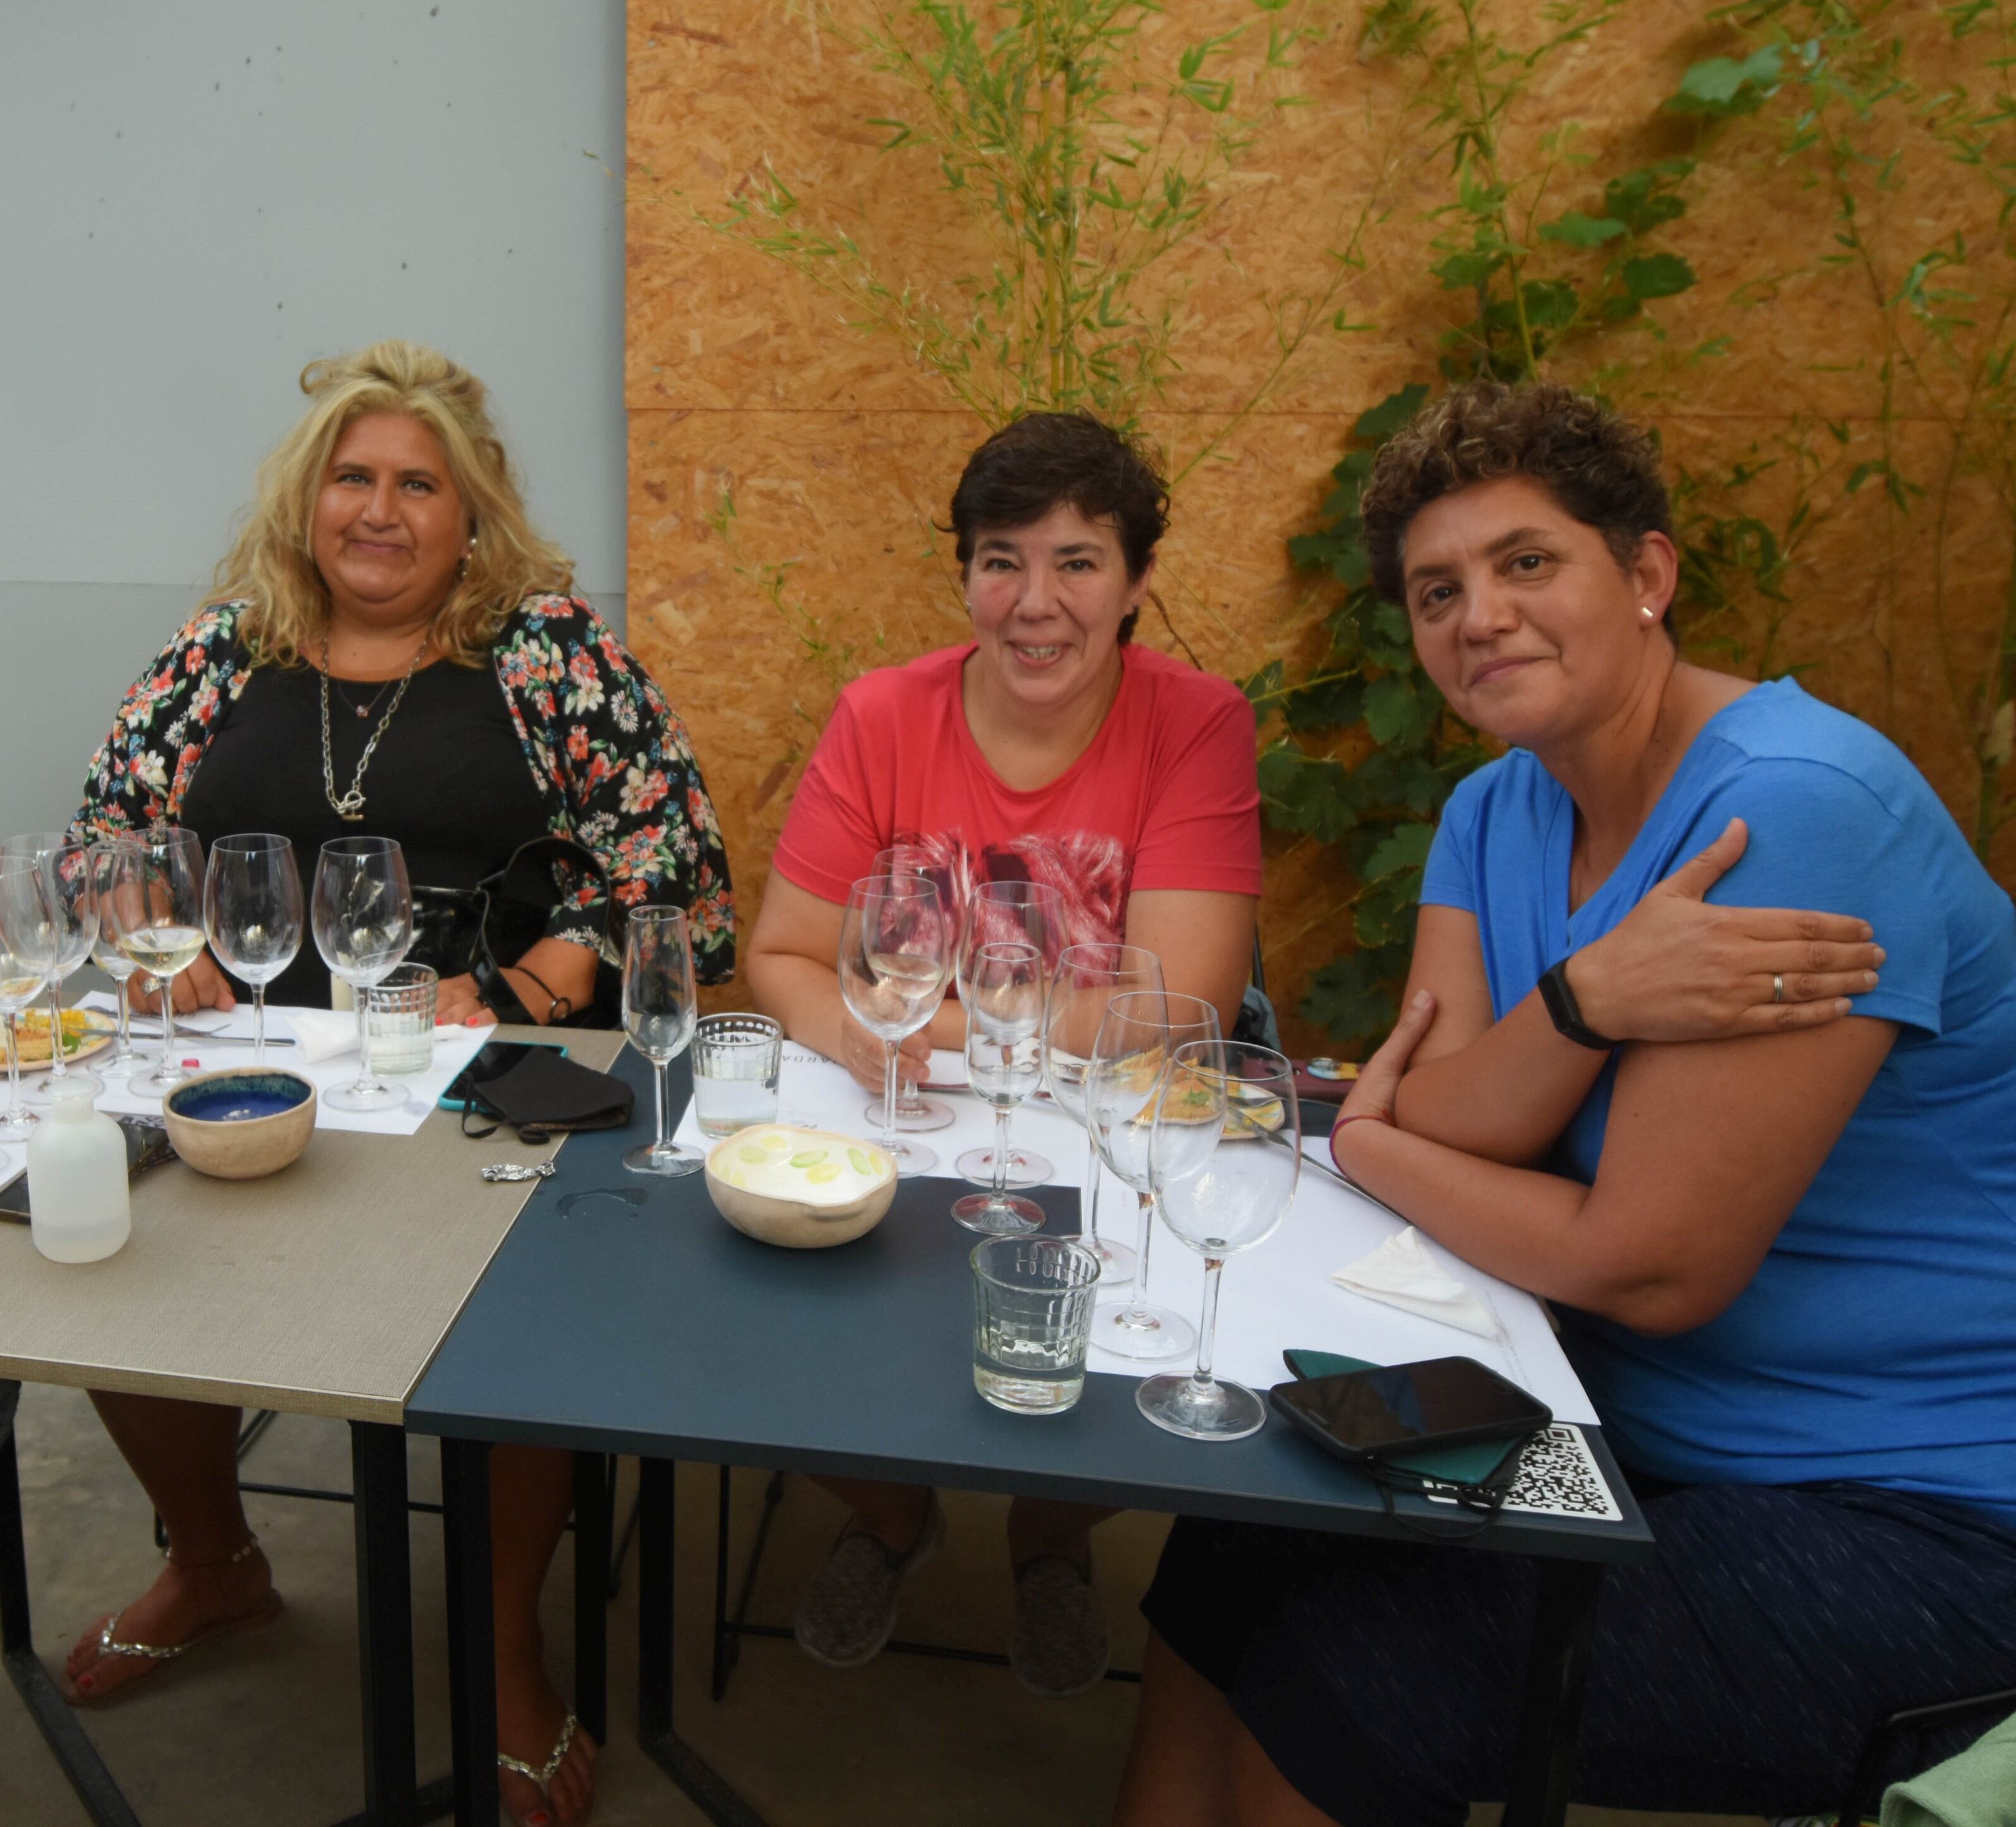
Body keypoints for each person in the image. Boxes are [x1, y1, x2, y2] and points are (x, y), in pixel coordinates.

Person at [1117, 380, 2016, 1824]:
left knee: (1366, 1674)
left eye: (1527, 563)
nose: (1480, 616)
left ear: (1647, 576)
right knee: (1240, 1534)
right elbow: (1478, 1125)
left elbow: (1644, 1264)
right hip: (1625, 1420)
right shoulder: (1497, 808)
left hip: (1918, 1506)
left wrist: (1365, 1137)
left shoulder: (1788, 811)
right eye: (1437, 590)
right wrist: (1591, 1001)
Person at [67, 338, 733, 1826]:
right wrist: (149, 938)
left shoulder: (550, 652)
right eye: (352, 480)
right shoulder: (223, 653)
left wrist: (514, 988)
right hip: (242, 1060)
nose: (381, 510)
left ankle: (500, 1646)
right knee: (108, 1254)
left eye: (416, 484)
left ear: (469, 513)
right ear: (305, 506)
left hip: (485, 1059)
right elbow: (104, 838)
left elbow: (677, 878)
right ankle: (216, 1559)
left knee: (528, 1316)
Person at [745, 411, 1261, 1696]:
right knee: (777, 1333)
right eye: (999, 558)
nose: (1035, 603)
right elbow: (785, 959)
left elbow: (1176, 1005)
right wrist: (867, 1038)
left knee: (1131, 1323)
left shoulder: (1196, 723)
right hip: (911, 1124)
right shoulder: (883, 715)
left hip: (1108, 1141)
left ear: (1138, 582)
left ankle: (1050, 1536)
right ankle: (889, 1512)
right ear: (964, 573)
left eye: (1078, 562)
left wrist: (923, 1018)